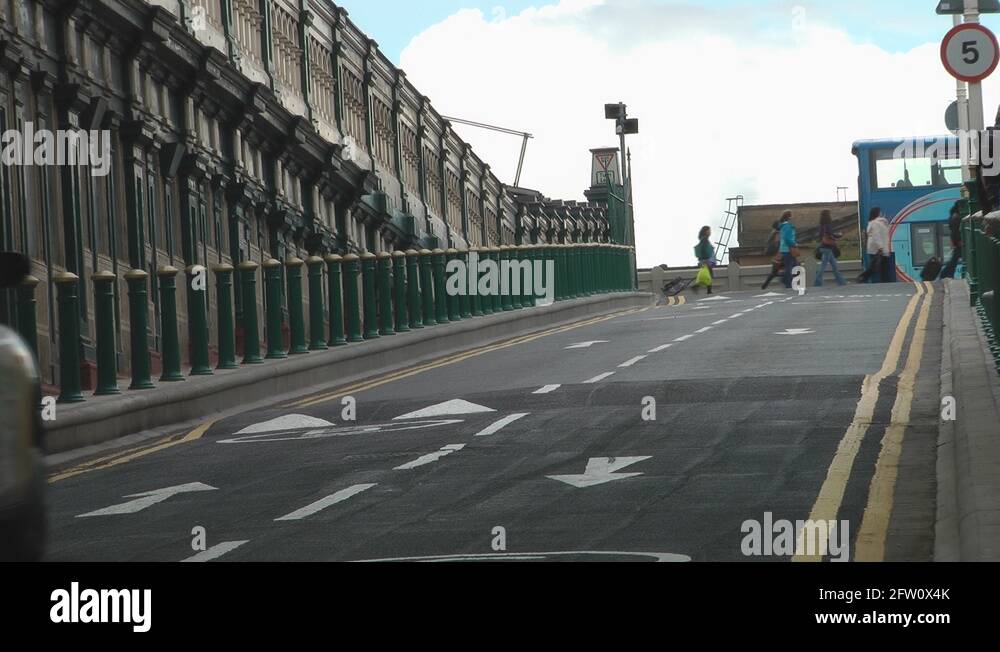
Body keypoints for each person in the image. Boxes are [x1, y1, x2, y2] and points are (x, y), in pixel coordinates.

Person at [857, 207, 891, 283]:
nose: (881, 213)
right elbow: (877, 235)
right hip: (880, 250)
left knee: (879, 268)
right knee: (879, 268)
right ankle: (863, 276)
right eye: (880, 212)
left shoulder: (874, 223)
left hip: (877, 249)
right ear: (878, 213)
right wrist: (880, 247)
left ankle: (864, 277)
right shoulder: (876, 223)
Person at [814, 210, 846, 287]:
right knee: (823, 267)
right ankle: (817, 283)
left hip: (826, 248)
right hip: (827, 249)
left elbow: (822, 236)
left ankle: (842, 282)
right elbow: (830, 235)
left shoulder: (821, 226)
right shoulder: (827, 225)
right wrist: (838, 235)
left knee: (835, 267)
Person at [938, 201, 963, 280]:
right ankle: (945, 274)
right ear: (958, 207)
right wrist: (959, 241)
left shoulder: (954, 215)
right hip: (958, 241)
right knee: (954, 259)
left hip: (956, 241)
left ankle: (947, 274)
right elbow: (955, 231)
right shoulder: (956, 217)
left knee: (954, 259)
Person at [692, 226, 716, 294]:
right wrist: (705, 260)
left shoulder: (703, 239)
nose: (710, 232)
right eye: (709, 230)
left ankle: (701, 288)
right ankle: (708, 290)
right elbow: (703, 250)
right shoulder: (704, 239)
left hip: (704, 260)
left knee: (707, 274)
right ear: (706, 231)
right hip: (706, 260)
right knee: (709, 275)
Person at [778, 211, 798, 289]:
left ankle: (787, 281)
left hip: (785, 249)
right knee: (790, 267)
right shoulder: (787, 226)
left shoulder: (783, 226)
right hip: (789, 249)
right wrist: (794, 244)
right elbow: (787, 238)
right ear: (789, 217)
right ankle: (787, 283)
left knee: (793, 266)